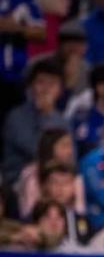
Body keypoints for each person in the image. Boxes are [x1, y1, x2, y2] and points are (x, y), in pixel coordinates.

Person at [2, 58, 65, 186]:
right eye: (41, 82)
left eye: (52, 84)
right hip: (19, 182)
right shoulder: (16, 116)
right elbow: (37, 151)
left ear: (60, 91)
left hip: (55, 182)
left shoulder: (63, 120)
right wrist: (46, 116)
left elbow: (71, 157)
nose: (46, 89)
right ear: (31, 86)